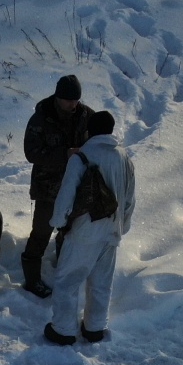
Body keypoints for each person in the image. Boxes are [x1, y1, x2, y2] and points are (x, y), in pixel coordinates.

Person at [44, 110, 135, 346]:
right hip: (111, 231)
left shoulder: (81, 156)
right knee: (101, 283)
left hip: (84, 232)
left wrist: (58, 222)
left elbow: (67, 194)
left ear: (90, 130)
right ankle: (94, 328)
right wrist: (122, 225)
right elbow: (129, 198)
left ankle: (63, 330)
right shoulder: (124, 157)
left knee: (67, 281)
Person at [22, 74, 94, 298]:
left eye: (76, 100)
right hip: (48, 189)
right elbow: (31, 152)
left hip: (75, 187)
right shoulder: (41, 118)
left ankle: (64, 267)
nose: (72, 104)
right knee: (41, 232)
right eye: (68, 100)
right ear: (58, 97)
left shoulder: (86, 116)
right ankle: (32, 280)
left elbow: (97, 141)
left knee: (69, 231)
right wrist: (64, 154)